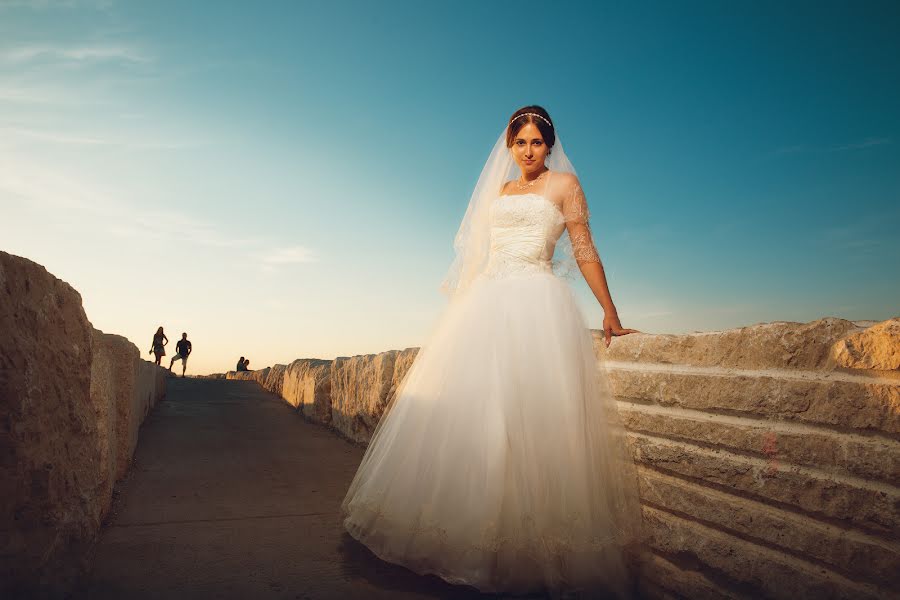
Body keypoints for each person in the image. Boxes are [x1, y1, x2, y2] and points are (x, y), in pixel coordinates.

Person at [341, 106, 645, 599]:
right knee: (478, 422)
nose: (528, 151)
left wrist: (608, 310)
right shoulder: (500, 192)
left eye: (537, 143)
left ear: (550, 146)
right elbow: (479, 255)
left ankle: (529, 549)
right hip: (487, 304)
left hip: (537, 306)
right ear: (510, 147)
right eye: (520, 143)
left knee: (536, 422)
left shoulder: (565, 185)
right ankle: (467, 540)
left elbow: (584, 249)